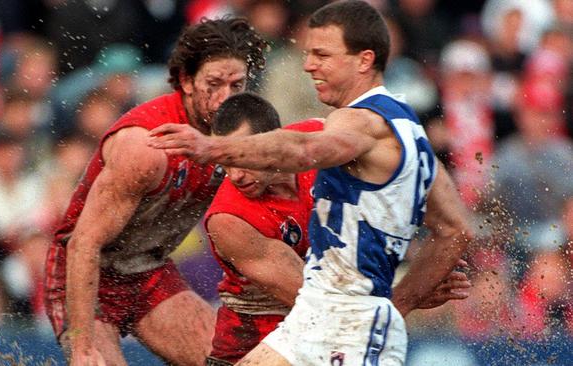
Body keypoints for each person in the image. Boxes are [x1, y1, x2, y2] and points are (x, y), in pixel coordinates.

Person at [148, 2, 472, 365]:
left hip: (345, 327)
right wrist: (398, 302)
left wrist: (212, 147)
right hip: (317, 317)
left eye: (321, 54)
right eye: (307, 53)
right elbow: (456, 228)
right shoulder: (410, 132)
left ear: (364, 60)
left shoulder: (360, 123)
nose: (308, 65)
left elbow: (307, 150)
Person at [43, 17, 267, 366]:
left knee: (237, 363)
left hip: (148, 271)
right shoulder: (146, 148)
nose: (226, 99)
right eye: (215, 84)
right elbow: (83, 243)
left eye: (237, 85)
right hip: (88, 273)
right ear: (186, 81)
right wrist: (83, 347)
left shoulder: (237, 137)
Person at [204, 93, 471, 365]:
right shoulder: (229, 218)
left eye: (242, 157)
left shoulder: (321, 141)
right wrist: (409, 291)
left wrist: (428, 261)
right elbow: (318, 301)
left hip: (328, 334)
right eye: (225, 162)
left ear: (272, 141)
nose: (235, 175)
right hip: (258, 341)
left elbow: (392, 190)